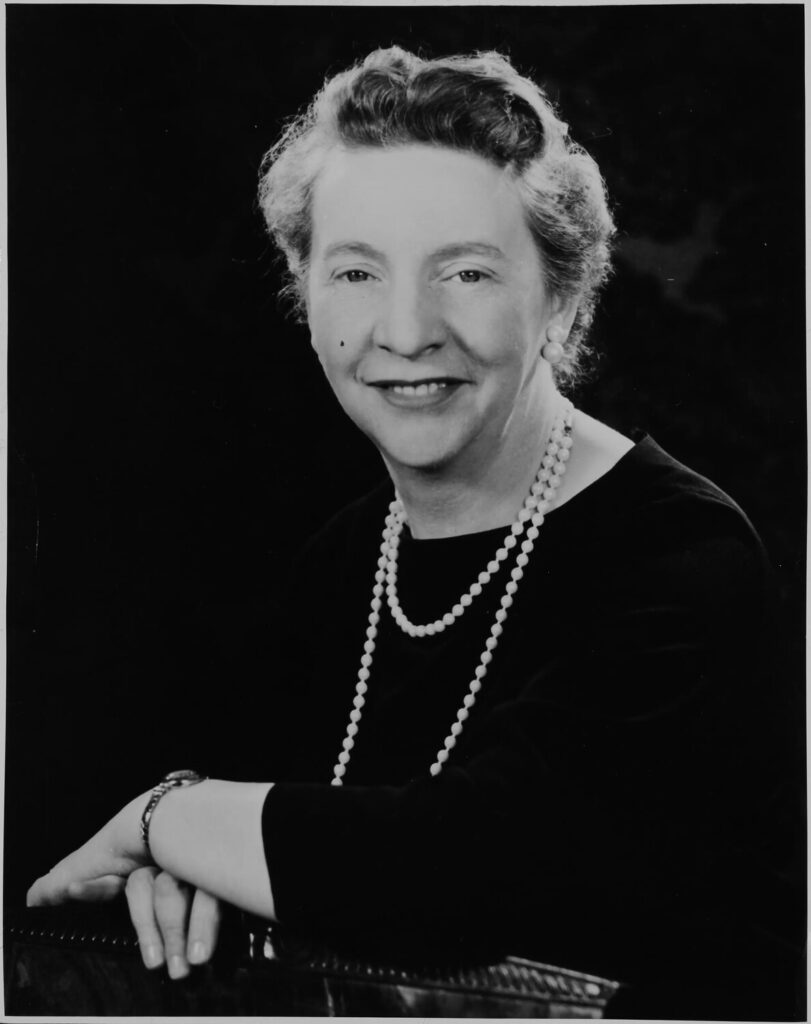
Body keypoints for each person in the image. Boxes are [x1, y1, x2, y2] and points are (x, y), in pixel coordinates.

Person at [26, 47, 803, 1019]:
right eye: (355, 271)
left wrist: (166, 816)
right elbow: (284, 856)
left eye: (465, 271)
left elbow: (463, 870)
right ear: (302, 294)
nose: (404, 329)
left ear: (561, 296)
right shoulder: (343, 559)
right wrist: (188, 866)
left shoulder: (682, 559)